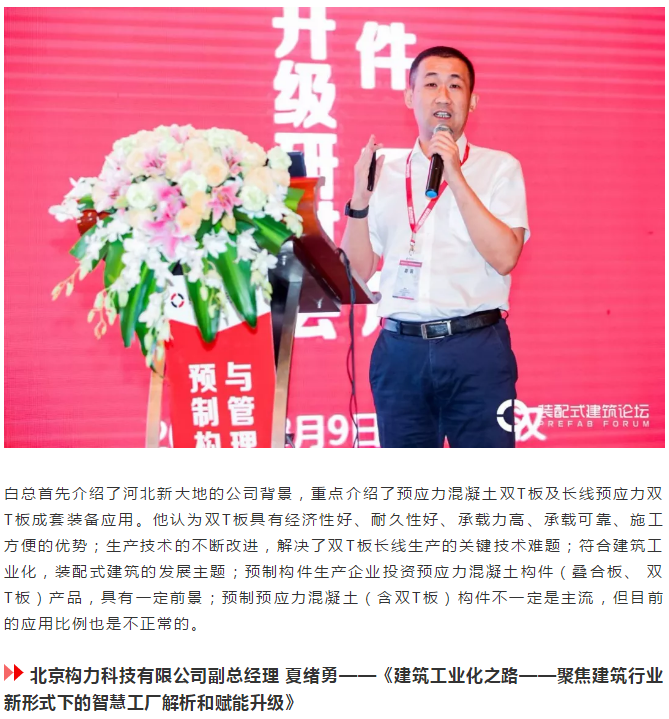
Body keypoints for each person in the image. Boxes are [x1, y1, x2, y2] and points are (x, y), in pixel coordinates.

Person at [341, 46, 530, 448]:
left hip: (476, 351)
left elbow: (505, 257)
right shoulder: (384, 172)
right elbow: (356, 270)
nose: (443, 96)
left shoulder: (499, 168)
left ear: (472, 101)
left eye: (455, 86)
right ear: (409, 97)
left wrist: (456, 176)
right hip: (399, 354)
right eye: (430, 84)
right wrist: (359, 200)